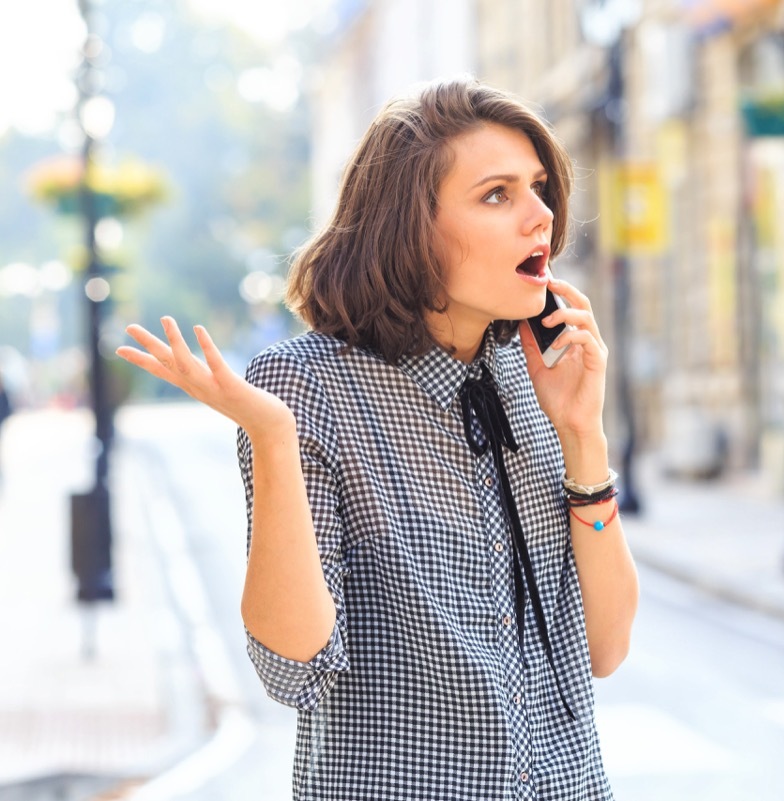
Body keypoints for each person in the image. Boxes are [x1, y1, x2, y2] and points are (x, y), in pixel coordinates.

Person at [117, 79, 639, 799]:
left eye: (540, 188)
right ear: (412, 227)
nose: (541, 216)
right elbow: (293, 668)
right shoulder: (310, 389)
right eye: (498, 194)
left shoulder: (538, 376)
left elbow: (604, 648)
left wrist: (584, 434)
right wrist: (273, 437)